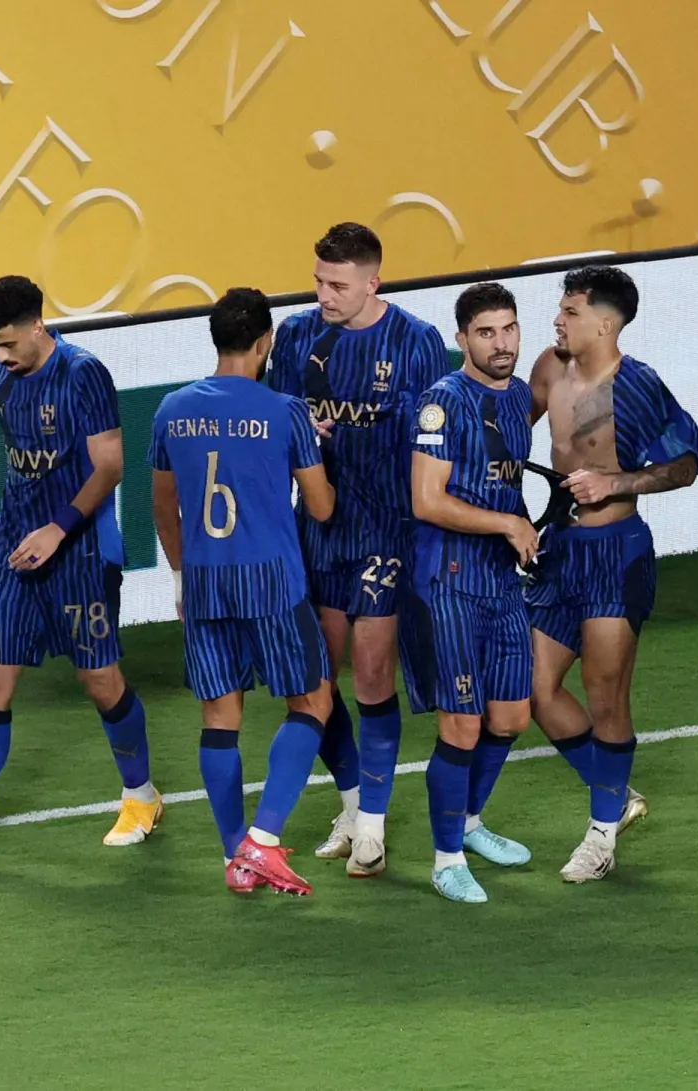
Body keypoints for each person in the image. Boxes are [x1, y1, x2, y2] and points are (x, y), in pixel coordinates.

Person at [0, 276, 160, 870]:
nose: (0, 357)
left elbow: (110, 465)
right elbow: (25, 465)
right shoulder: (3, 374)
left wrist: (58, 528)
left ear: (37, 326)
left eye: (6, 344)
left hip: (79, 549)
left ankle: (141, 797)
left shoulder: (83, 373)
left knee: (101, 682)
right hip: (14, 547)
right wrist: (25, 532)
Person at [267, 223, 451, 877]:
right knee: (315, 680)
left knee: (373, 673)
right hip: (316, 530)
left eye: (338, 284)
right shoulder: (294, 337)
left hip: (387, 531)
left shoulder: (417, 342)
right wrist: (298, 434)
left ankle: (372, 826)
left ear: (374, 282)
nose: (324, 294)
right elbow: (271, 421)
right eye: (318, 280)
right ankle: (350, 802)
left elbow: (438, 438)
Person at [149, 287, 337, 895]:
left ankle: (235, 856)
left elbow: (163, 505)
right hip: (271, 581)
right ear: (267, 342)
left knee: (220, 719)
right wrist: (314, 446)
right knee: (313, 702)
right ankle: (263, 841)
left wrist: (181, 575)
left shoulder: (171, 409)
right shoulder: (284, 412)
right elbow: (322, 506)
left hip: (204, 581)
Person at [527, 265, 698, 883]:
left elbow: (688, 462)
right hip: (559, 550)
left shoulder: (636, 384)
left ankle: (601, 836)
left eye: (571, 311)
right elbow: (501, 426)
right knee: (536, 690)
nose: (558, 319)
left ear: (605, 323)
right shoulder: (549, 371)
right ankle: (619, 794)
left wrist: (618, 480)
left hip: (617, 553)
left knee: (607, 697)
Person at [406, 283, 537, 903]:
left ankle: (470, 821)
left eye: (508, 329)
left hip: (501, 583)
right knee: (461, 725)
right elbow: (426, 500)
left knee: (511, 716)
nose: (502, 342)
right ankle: (445, 858)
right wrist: (509, 523)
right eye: (486, 332)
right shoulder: (441, 402)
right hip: (448, 585)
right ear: (462, 340)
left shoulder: (516, 398)